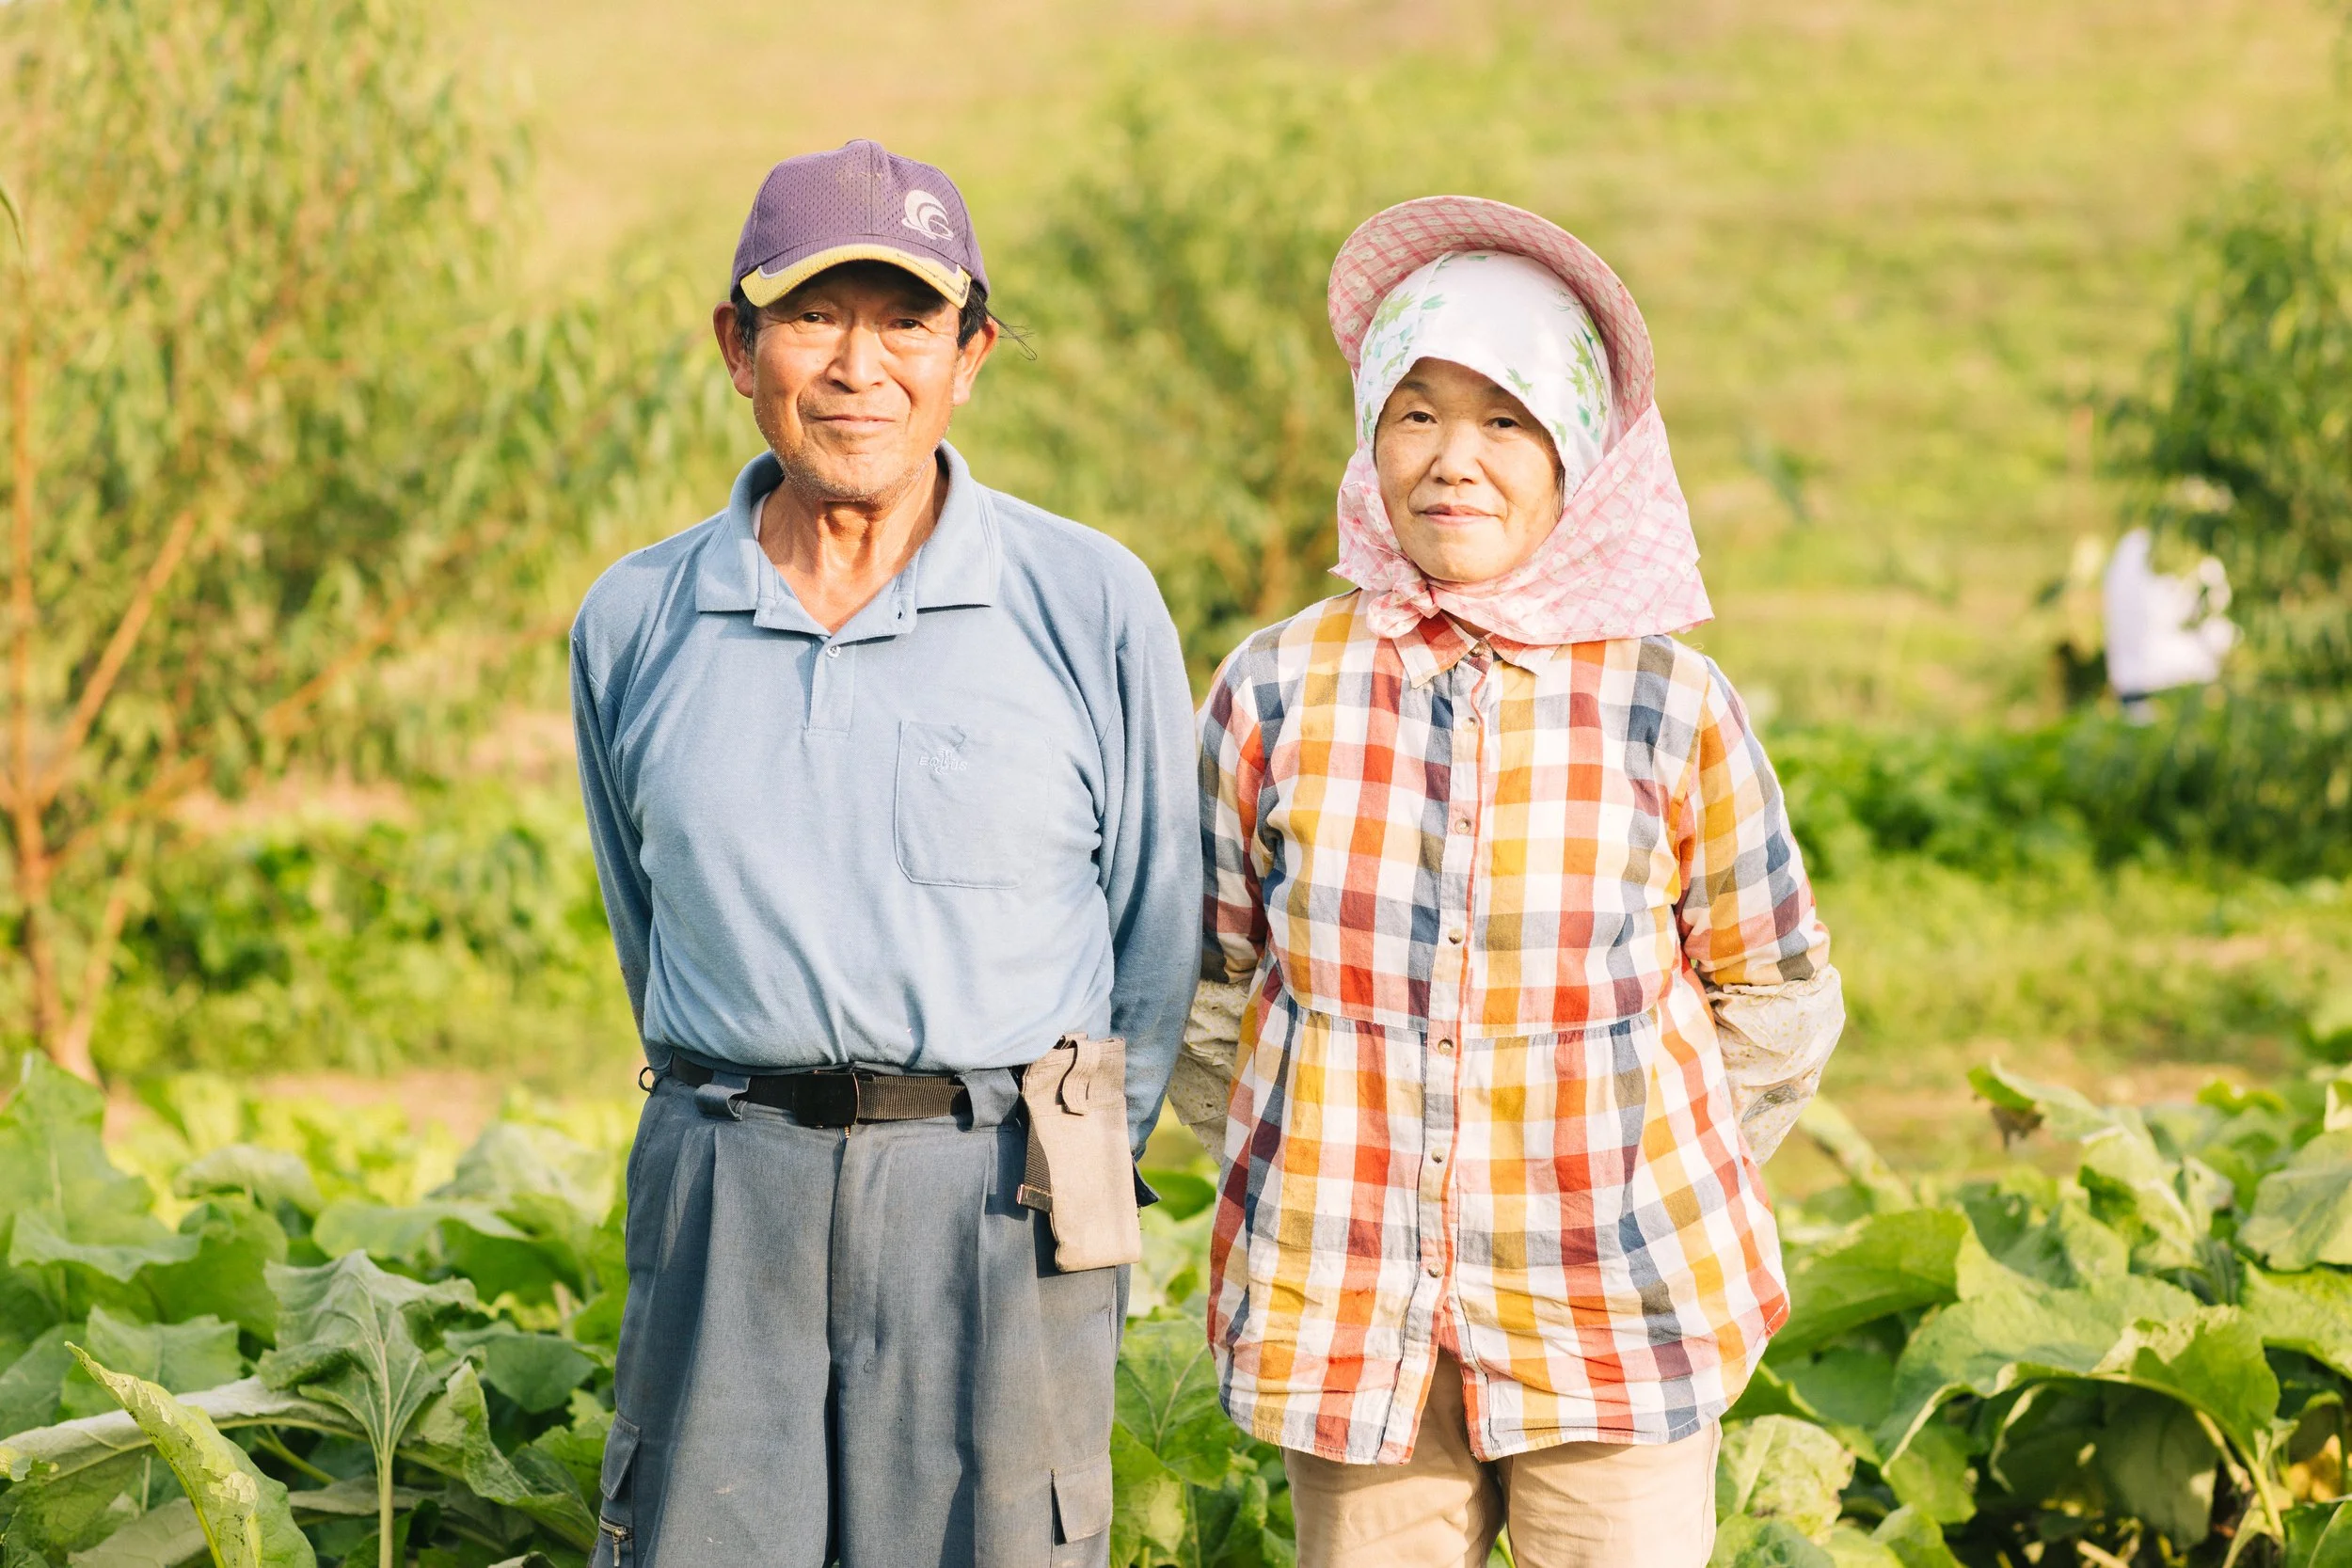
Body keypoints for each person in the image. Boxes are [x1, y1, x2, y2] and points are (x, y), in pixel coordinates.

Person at [1173, 198, 1845, 1568]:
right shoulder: (1278, 687)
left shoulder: (1667, 703)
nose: (1453, 464)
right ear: (1370, 438)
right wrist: (1310, 1151)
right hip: (1353, 1319)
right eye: (1416, 415)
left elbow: (1773, 989)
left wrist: (1641, 1167)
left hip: (1616, 1312)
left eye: (1506, 420)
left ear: (1576, 455)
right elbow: (1202, 980)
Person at [568, 140, 1199, 1568]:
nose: (860, 365)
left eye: (906, 319)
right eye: (812, 317)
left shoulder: (1087, 600)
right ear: (739, 346)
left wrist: (1071, 1156)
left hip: (1000, 1198)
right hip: (729, 1177)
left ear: (969, 354)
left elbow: (1161, 935)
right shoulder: (636, 619)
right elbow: (647, 924)